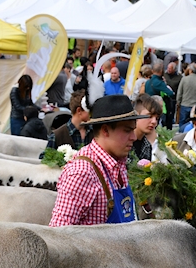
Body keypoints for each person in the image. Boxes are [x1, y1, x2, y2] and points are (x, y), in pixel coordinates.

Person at [49, 95, 148, 226]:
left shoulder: (119, 163)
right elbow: (59, 234)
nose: (134, 137)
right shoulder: (82, 172)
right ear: (105, 130)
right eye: (127, 131)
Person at [176, 63, 196, 131]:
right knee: (194, 124)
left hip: (184, 104)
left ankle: (182, 136)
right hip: (195, 106)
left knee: (182, 123)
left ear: (190, 70)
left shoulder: (184, 79)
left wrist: (178, 102)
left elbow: (179, 92)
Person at [132, 94, 161, 162]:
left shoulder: (147, 146)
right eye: (149, 116)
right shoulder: (123, 142)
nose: (154, 122)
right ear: (136, 115)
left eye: (156, 118)